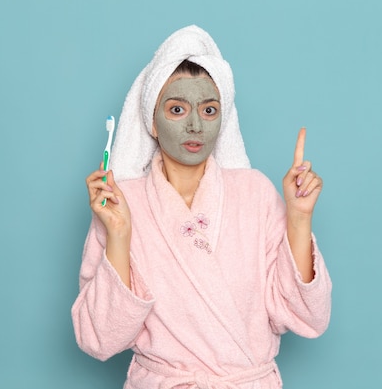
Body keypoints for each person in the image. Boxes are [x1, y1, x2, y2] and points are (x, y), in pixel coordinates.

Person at [72, 25, 332, 389]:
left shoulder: (255, 192)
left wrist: (300, 219)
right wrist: (118, 234)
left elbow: (308, 316)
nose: (195, 125)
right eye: (177, 109)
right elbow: (98, 337)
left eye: (209, 110)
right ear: (152, 121)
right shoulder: (119, 203)